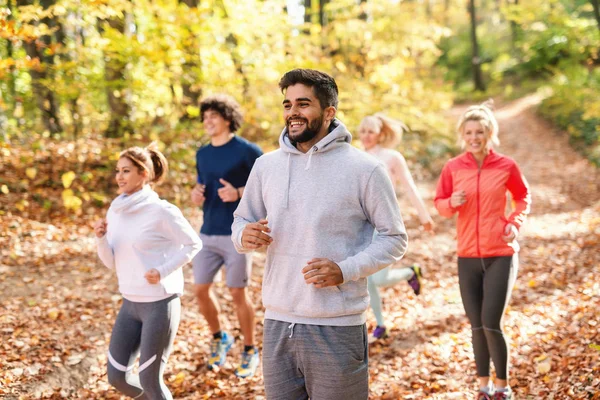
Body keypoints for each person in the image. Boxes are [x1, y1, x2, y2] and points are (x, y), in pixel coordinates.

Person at [231, 68, 408, 400]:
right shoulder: (266, 166)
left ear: (329, 112)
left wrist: (345, 270)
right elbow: (241, 220)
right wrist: (244, 236)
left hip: (336, 325)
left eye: (303, 104)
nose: (293, 113)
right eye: (287, 105)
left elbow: (394, 237)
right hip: (277, 322)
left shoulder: (364, 169)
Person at [434, 100, 531, 400]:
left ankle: (503, 387)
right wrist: (453, 203)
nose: (474, 137)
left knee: (491, 322)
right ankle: (483, 387)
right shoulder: (453, 167)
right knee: (476, 326)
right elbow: (440, 205)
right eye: (469, 132)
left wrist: (514, 222)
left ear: (490, 133)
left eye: (480, 132)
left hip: (500, 252)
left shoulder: (506, 165)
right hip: (467, 256)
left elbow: (523, 197)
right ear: (462, 134)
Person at [94, 143, 202, 399]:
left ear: (144, 174)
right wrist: (100, 238)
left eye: (126, 171)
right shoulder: (116, 209)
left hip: (159, 304)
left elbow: (193, 243)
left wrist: (162, 270)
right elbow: (112, 262)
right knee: (117, 377)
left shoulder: (162, 211)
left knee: (150, 380)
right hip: (129, 302)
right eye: (117, 171)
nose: (119, 176)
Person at [190, 94, 263, 378]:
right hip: (207, 232)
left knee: (237, 293)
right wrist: (195, 194)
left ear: (228, 119)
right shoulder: (202, 153)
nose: (208, 121)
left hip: (237, 233)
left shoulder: (248, 151)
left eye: (213, 116)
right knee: (199, 289)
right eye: (205, 117)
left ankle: (249, 349)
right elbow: (200, 187)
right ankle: (220, 337)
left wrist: (238, 193)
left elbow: (268, 187)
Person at [358, 113, 435, 340]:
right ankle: (380, 324)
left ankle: (410, 272)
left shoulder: (392, 157)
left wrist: (424, 217)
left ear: (381, 134)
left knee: (379, 279)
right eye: (362, 131)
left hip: (385, 223)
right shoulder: (356, 157)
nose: (366, 136)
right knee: (366, 278)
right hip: (362, 225)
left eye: (371, 131)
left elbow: (409, 187)